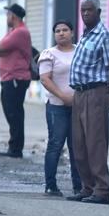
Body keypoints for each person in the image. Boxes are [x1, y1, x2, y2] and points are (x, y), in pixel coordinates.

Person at [66, 0, 109, 205]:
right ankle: (87, 187)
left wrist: (108, 93)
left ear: (98, 12)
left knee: (95, 143)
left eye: (89, 10)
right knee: (79, 144)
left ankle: (102, 190)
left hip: (96, 93)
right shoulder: (86, 35)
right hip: (78, 94)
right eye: (83, 10)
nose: (85, 13)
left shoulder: (104, 36)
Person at [38, 20, 82, 196]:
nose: (61, 33)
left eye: (65, 30)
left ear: (72, 32)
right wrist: (63, 97)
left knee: (76, 146)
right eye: (57, 31)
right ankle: (50, 185)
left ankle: (79, 186)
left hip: (78, 105)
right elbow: (45, 79)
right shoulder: (49, 54)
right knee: (56, 144)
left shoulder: (80, 51)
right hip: (57, 106)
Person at [0, 4, 32, 158]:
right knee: (11, 112)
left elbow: (0, 46)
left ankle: (15, 148)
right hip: (10, 78)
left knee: (14, 113)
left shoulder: (20, 32)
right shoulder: (14, 31)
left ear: (13, 16)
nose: (6, 17)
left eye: (8, 14)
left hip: (16, 78)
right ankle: (14, 146)